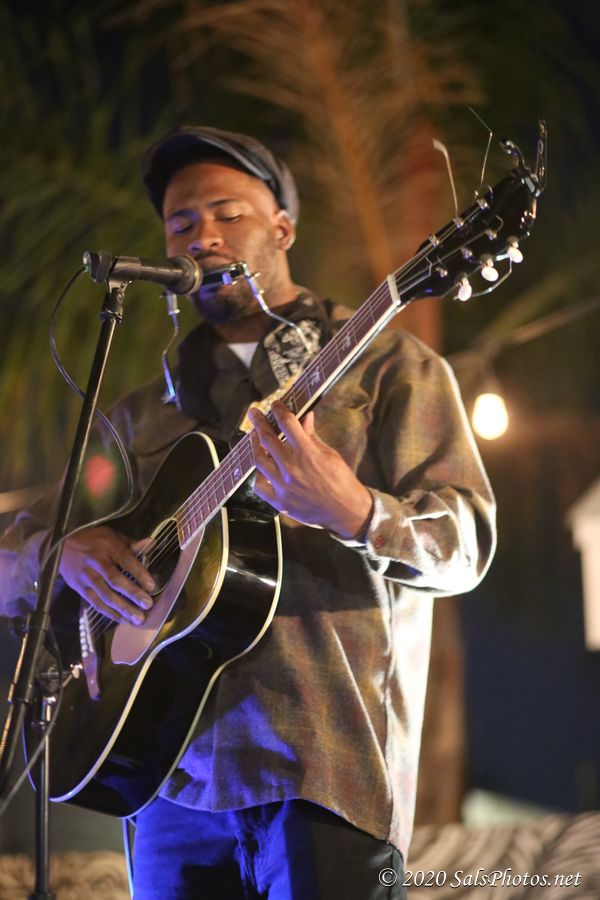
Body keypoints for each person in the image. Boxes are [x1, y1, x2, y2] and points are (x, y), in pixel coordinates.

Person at [0, 126, 496, 899]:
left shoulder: (386, 369)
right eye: (181, 224)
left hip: (323, 764)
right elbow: (15, 560)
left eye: (228, 215)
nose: (203, 236)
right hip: (166, 784)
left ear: (282, 230)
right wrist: (61, 553)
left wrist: (355, 510)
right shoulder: (140, 416)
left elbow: (464, 543)